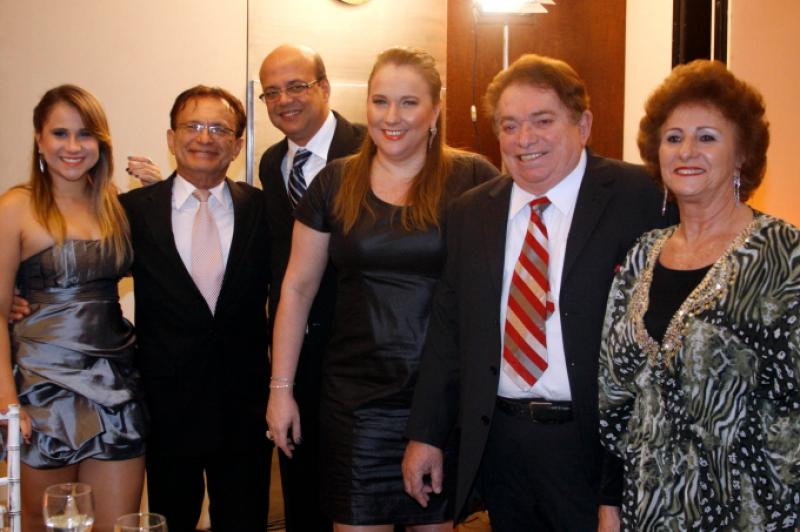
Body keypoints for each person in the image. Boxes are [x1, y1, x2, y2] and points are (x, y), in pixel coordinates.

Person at [402, 54, 674, 531]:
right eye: (509, 126)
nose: (524, 139)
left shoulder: (642, 197)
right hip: (502, 442)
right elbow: (448, 332)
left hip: (599, 450)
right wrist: (426, 433)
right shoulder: (472, 212)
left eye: (542, 121)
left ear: (583, 125)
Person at [266, 46, 498, 531]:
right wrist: (281, 390)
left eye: (409, 102)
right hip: (356, 406)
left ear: (436, 108)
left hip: (442, 402)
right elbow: (297, 290)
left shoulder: (474, 178)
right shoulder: (333, 182)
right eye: (380, 101)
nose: (392, 117)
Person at [598, 60, 800, 531]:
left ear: (742, 153)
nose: (687, 150)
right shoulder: (642, 254)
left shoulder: (784, 254)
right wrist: (609, 505)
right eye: (673, 138)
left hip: (754, 513)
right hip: (646, 510)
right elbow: (617, 402)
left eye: (707, 137)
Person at [120, 86, 272, 531]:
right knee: (170, 521)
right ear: (171, 138)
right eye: (193, 126)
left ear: (237, 145)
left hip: (245, 406)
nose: (205, 138)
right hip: (165, 406)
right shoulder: (131, 212)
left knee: (245, 521)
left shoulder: (263, 210)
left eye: (219, 129)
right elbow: (89, 280)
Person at [0, 84, 146, 532]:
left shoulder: (115, 204)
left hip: (115, 385)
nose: (73, 146)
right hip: (41, 393)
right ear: (39, 139)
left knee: (119, 524)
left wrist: (159, 193)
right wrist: (8, 405)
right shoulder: (16, 206)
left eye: (85, 134)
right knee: (43, 525)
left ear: (101, 141)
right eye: (60, 133)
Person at [258, 43, 365, 532]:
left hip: (361, 358)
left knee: (360, 498)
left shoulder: (369, 149)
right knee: (302, 494)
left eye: (296, 86)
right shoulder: (271, 163)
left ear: (324, 87)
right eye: (272, 92)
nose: (284, 100)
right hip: (295, 356)